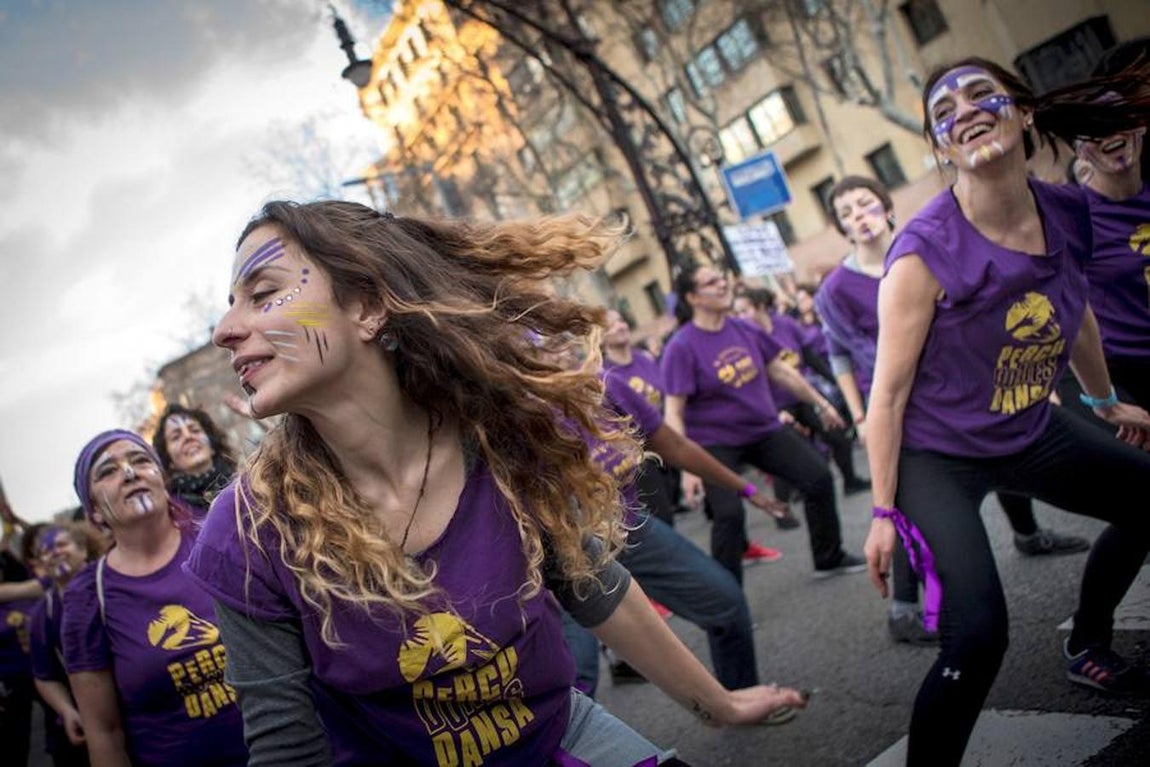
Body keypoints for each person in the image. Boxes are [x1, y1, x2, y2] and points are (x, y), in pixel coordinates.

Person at [186, 201, 808, 766]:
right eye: (232, 302)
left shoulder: (492, 437)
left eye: (262, 293)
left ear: (368, 307)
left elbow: (594, 588)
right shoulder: (247, 530)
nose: (224, 329)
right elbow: (287, 752)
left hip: (558, 739)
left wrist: (719, 706)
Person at [862, 57, 1150, 766]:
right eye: (944, 108)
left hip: (1028, 428)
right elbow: (887, 395)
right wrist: (880, 512)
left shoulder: (1067, 209)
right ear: (942, 145)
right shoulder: (921, 253)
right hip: (939, 458)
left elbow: (1073, 306)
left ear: (1021, 113)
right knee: (980, 632)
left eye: (981, 93)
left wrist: (1106, 398)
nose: (963, 108)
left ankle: (1086, 639)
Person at [818, 174, 1089, 645]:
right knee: (902, 500)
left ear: (884, 205)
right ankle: (906, 610)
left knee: (1007, 449)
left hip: (967, 384)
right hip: (902, 403)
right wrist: (863, 415)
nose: (858, 217)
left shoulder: (926, 247)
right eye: (846, 214)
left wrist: (1031, 378)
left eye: (864, 204)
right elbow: (839, 353)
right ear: (840, 228)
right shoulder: (836, 290)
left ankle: (1027, 533)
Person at [564, 360, 796, 699]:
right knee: (575, 678)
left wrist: (748, 491)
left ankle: (743, 697)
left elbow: (675, 446)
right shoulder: (509, 415)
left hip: (628, 527)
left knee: (724, 602)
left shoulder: (604, 387)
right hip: (564, 558)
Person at [662, 263, 865, 584]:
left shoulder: (744, 329)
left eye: (721, 277)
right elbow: (673, 411)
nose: (722, 284)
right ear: (693, 297)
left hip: (762, 429)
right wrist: (687, 466)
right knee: (728, 514)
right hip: (715, 443)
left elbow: (783, 372)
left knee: (819, 478)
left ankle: (828, 557)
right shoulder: (681, 346)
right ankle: (727, 604)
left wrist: (822, 403)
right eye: (711, 282)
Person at [63, 430, 248, 767]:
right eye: (108, 471)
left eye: (140, 461)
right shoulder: (89, 597)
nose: (130, 473)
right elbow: (104, 733)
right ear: (94, 513)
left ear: (163, 479)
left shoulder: (221, 537)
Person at [732, 287, 870, 497]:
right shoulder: (743, 339)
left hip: (801, 395)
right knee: (786, 453)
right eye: (738, 312)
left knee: (837, 435)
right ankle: (784, 505)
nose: (741, 317)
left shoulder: (785, 325)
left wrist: (835, 382)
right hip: (774, 406)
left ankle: (850, 481)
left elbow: (810, 357)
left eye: (744, 310)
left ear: (760, 307)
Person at [30, 522, 106, 767]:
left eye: (61, 544)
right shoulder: (44, 614)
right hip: (90, 721)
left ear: (83, 549)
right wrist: (66, 710)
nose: (54, 552)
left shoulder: (115, 584)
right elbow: (44, 675)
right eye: (45, 550)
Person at [152, 403, 237, 513]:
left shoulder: (245, 484)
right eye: (176, 437)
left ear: (212, 445)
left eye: (195, 430)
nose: (188, 437)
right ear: (168, 459)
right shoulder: (172, 512)